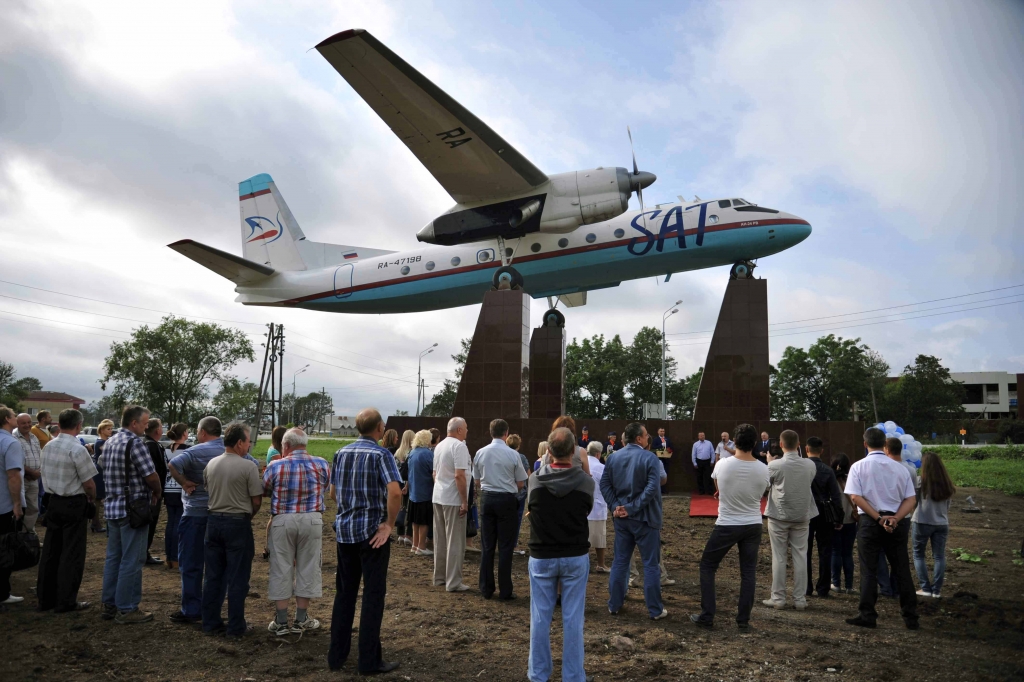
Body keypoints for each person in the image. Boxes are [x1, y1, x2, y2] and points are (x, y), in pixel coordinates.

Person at [327, 409, 402, 675]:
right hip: (372, 535)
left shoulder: (341, 453)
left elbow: (333, 492)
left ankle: (336, 656)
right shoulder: (382, 455)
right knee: (372, 597)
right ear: (380, 428)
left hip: (345, 532)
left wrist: (350, 511)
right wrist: (388, 525)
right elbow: (395, 492)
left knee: (344, 595)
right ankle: (369, 661)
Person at [526, 427, 595, 682]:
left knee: (540, 617)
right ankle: (574, 676)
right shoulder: (586, 482)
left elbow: (531, 507)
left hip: (542, 554)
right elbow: (585, 510)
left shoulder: (535, 480)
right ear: (574, 449)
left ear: (549, 452)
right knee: (573, 619)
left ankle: (538, 674)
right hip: (574, 554)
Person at [690, 423, 768, 630]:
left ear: (734, 440)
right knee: (748, 572)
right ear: (754, 443)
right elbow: (761, 493)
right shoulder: (763, 469)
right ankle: (743, 621)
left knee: (707, 566)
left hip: (727, 523)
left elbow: (718, 490)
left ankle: (707, 615)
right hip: (752, 523)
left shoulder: (722, 465)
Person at [844, 427, 919, 630]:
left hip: (870, 521)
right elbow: (911, 498)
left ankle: (868, 614)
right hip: (897, 522)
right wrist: (895, 518)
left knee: (869, 570)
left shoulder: (858, 467)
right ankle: (910, 616)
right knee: (902, 567)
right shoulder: (901, 468)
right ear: (885, 444)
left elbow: (855, 497)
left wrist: (878, 518)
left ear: (864, 443)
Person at [263, 427, 331, 635]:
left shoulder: (275, 466)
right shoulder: (321, 464)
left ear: (285, 446)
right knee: (308, 567)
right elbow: (326, 487)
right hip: (312, 518)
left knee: (281, 567)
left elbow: (266, 489)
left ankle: (281, 621)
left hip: (283, 519)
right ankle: (301, 618)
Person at [99, 405, 162, 624]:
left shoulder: (109, 442)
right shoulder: (135, 443)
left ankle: (110, 603)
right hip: (133, 508)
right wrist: (157, 491)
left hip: (113, 508)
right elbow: (150, 475)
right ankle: (127, 608)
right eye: (145, 423)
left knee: (114, 557)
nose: (147, 427)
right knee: (132, 559)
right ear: (134, 423)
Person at [201, 422, 262, 638]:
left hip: (213, 521)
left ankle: (210, 622)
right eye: (248, 441)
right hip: (237, 523)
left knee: (213, 575)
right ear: (239, 443)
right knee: (237, 578)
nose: (248, 446)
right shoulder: (248, 467)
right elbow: (256, 500)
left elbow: (208, 489)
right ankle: (236, 626)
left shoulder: (211, 464)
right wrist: (247, 516)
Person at [601, 422, 667, 620]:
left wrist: (616, 506)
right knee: (650, 564)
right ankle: (655, 610)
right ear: (639, 438)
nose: (649, 438)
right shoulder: (650, 458)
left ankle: (614, 604)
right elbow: (652, 488)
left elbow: (604, 484)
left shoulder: (613, 458)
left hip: (621, 519)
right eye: (646, 435)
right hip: (646, 519)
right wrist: (630, 508)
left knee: (620, 561)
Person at [37, 408, 98, 612]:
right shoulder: (77, 449)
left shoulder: (48, 446)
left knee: (51, 551)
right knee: (71, 553)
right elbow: (89, 483)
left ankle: (45, 598)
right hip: (73, 502)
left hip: (53, 501)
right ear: (79, 425)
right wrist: (92, 498)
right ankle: (65, 601)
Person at [167, 416, 225, 625]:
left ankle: (192, 608)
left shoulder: (195, 451)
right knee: (217, 565)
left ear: (202, 432)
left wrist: (184, 482)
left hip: (195, 513)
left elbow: (173, 464)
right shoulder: (231, 451)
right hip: (221, 514)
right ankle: (213, 608)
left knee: (191, 563)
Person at [762, 429, 818, 610]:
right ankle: (800, 599)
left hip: (779, 515)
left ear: (780, 444)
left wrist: (770, 463)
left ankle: (778, 598)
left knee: (779, 557)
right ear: (799, 445)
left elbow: (765, 485)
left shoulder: (775, 465)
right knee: (801, 556)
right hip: (802, 515)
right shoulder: (810, 465)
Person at [473, 419, 528, 600]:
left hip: (487, 499)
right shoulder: (513, 455)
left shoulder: (480, 453)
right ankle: (505, 590)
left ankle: (486, 588)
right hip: (506, 500)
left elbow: (477, 481)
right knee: (505, 547)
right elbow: (521, 483)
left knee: (487, 546)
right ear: (506, 433)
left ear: (491, 432)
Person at [432, 417, 471, 592]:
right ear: (460, 430)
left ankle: (440, 577)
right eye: (466, 428)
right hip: (453, 499)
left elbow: (435, 473)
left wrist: (441, 486)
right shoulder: (459, 446)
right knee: (455, 541)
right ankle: (453, 581)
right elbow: (459, 475)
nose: (468, 431)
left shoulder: (439, 445)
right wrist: (464, 500)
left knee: (440, 539)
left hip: (438, 496)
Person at [805, 436, 844, 598]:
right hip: (824, 513)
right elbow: (836, 496)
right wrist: (839, 518)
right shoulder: (828, 471)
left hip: (805, 512)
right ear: (821, 451)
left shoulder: (802, 469)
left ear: (806, 449)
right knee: (825, 551)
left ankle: (806, 587)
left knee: (804, 551)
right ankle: (823, 588)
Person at [913, 451, 954, 599]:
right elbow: (948, 504)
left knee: (918, 555)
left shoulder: (919, 481)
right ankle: (936, 590)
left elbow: (913, 502)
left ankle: (925, 588)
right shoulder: (946, 483)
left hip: (922, 521)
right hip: (942, 523)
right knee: (939, 556)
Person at [0, 405, 26, 607]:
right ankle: (2, 593)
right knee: (5, 549)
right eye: (14, 415)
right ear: (7, 420)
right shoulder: (10, 442)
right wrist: (17, 504)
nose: (16, 417)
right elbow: (13, 476)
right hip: (4, 505)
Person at [830, 453, 858, 594]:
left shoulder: (831, 482)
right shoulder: (852, 480)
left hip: (835, 521)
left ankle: (836, 583)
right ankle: (849, 585)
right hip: (851, 521)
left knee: (835, 552)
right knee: (847, 553)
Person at [142, 418, 166, 566]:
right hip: (152, 493)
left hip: (147, 492)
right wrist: (157, 491)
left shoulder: (144, 443)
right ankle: (144, 553)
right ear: (157, 430)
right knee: (150, 524)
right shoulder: (152, 446)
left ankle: (144, 552)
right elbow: (156, 472)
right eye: (161, 427)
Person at [163, 423, 187, 570]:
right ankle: (176, 557)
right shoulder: (187, 450)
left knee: (170, 522)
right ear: (184, 433)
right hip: (180, 489)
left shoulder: (166, 449)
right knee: (179, 524)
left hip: (167, 489)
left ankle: (169, 558)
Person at [407, 430, 434, 556]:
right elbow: (434, 471)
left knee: (415, 520)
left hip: (414, 492)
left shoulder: (412, 452)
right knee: (424, 521)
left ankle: (415, 545)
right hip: (425, 492)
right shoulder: (428, 454)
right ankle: (422, 546)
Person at [13, 414, 42, 530]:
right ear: (17, 423)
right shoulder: (13, 438)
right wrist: (31, 472)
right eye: (23, 423)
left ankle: (28, 536)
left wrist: (38, 471)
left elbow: (40, 456)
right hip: (20, 479)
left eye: (29, 422)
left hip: (34, 479)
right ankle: (17, 537)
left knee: (33, 508)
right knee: (19, 509)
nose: (27, 425)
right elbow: (14, 461)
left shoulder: (34, 437)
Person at [586, 440, 609, 572]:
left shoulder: (581, 464)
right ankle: (600, 564)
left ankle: (585, 563)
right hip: (597, 507)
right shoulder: (600, 467)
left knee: (583, 536)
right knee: (599, 537)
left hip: (583, 506)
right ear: (599, 454)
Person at [506, 433, 530, 556]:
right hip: (519, 494)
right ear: (518, 445)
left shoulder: (503, 455)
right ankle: (513, 545)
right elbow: (528, 475)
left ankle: (504, 543)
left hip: (505, 492)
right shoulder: (522, 457)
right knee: (517, 520)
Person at [90, 419, 114, 533]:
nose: (111, 431)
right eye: (108, 429)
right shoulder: (101, 443)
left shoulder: (104, 441)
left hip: (103, 471)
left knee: (99, 498)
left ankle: (96, 522)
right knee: (98, 498)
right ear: (102, 430)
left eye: (111, 429)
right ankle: (95, 523)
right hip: (99, 472)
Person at [394, 429, 415, 547]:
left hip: (398, 484)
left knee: (401, 508)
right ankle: (409, 535)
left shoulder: (398, 452)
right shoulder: (412, 452)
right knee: (410, 509)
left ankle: (400, 534)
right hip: (409, 484)